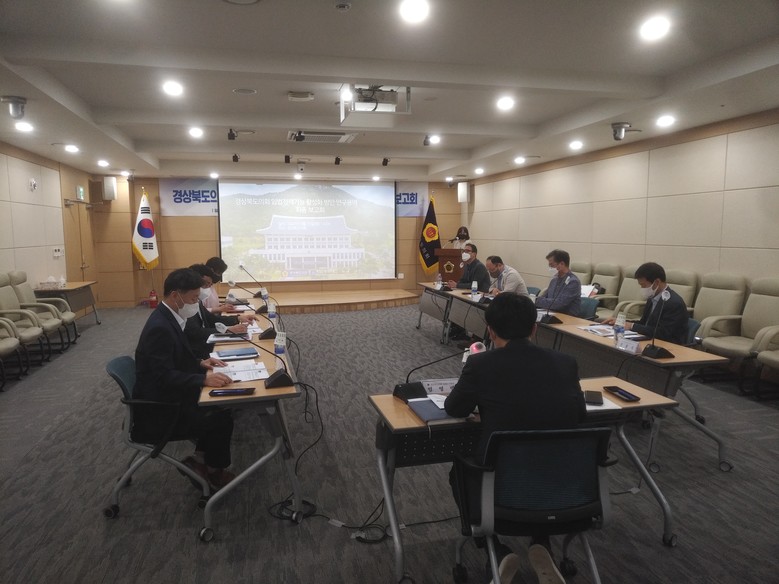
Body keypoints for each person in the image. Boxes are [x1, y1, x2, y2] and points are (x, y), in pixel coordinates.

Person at [445, 293, 585, 584]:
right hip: (564, 487)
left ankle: (495, 550)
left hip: (500, 488)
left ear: (490, 330)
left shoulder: (480, 364)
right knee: (541, 460)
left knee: (458, 472)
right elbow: (578, 415)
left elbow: (454, 408)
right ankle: (541, 544)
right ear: (534, 328)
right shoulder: (567, 363)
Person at [134, 267, 236, 490]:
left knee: (220, 405)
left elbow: (172, 359)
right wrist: (202, 380)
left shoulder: (169, 317)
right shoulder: (160, 327)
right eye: (192, 298)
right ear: (175, 295)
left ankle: (199, 461)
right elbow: (163, 376)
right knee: (220, 417)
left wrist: (200, 363)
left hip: (168, 395)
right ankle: (214, 472)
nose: (195, 303)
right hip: (160, 408)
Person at [602, 262, 688, 344]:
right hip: (649, 340)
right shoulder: (652, 297)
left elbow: (663, 333)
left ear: (657, 282)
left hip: (668, 346)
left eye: (643, 285)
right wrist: (621, 322)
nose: (642, 288)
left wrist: (631, 326)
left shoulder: (674, 303)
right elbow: (644, 323)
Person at [184, 264, 257, 359]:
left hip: (208, 345)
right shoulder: (186, 305)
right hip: (199, 354)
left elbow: (212, 319)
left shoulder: (198, 301)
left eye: (209, 285)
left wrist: (238, 318)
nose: (206, 288)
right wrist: (227, 330)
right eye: (205, 284)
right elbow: (195, 332)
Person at [535, 249, 581, 316]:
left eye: (551, 265)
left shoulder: (573, 282)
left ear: (562, 264)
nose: (550, 268)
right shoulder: (554, 280)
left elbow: (559, 304)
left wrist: (536, 300)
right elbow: (544, 297)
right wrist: (535, 300)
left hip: (566, 317)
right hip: (550, 314)